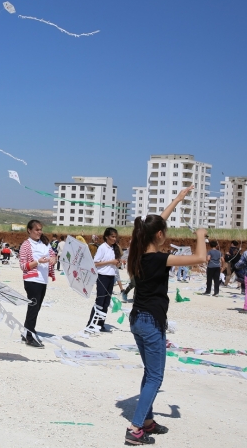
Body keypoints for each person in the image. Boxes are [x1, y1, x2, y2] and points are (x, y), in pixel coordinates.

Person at [124, 185, 205, 445]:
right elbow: (200, 257)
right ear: (159, 235)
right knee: (156, 376)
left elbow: (157, 223)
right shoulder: (160, 259)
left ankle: (146, 421)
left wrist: (178, 200)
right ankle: (136, 430)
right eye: (164, 232)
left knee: (149, 373)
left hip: (138, 319)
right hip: (150, 322)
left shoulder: (138, 252)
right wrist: (201, 234)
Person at [18, 220, 56, 347]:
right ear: (29, 230)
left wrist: (52, 259)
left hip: (43, 280)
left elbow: (53, 255)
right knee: (33, 308)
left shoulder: (45, 243)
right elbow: (23, 265)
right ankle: (29, 336)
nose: (39, 232)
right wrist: (38, 262)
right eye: (37, 230)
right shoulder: (26, 245)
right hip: (32, 280)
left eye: (40, 229)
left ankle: (27, 331)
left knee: (37, 307)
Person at [87, 227, 120, 333]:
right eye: (112, 237)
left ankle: (101, 324)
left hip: (111, 277)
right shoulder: (102, 247)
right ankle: (91, 324)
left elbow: (114, 262)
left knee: (107, 301)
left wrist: (117, 263)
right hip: (102, 276)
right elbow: (95, 263)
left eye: (115, 237)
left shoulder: (114, 248)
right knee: (100, 300)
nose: (114, 239)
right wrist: (110, 262)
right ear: (107, 237)